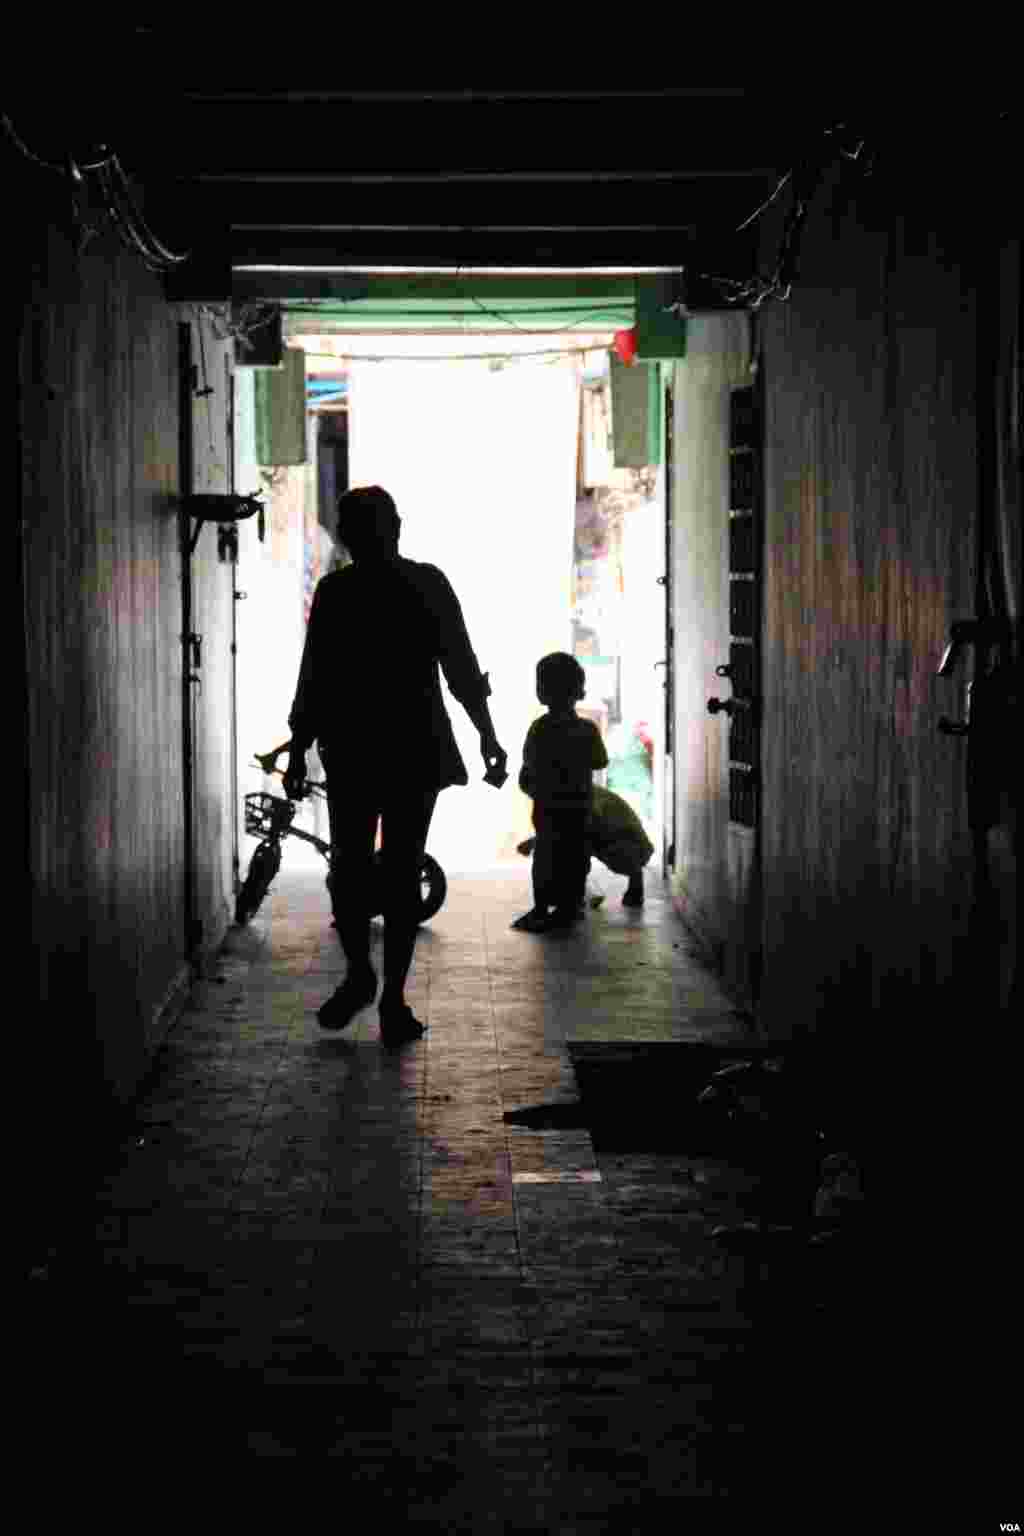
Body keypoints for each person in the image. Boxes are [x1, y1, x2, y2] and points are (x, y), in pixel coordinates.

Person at [284, 486, 507, 1045]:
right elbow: (460, 665)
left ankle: (363, 975)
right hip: (413, 746)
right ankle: (392, 1000)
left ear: (348, 536)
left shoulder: (338, 592)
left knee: (351, 868)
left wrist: (297, 746)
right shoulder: (425, 583)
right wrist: (486, 735)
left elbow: (315, 676)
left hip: (354, 748)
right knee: (400, 872)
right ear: (397, 527)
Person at [513, 652, 608, 933]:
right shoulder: (587, 730)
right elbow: (600, 761)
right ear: (580, 690)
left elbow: (528, 768)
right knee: (576, 861)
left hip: (548, 811)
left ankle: (541, 909)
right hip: (579, 811)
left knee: (545, 859)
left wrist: (533, 786)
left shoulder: (539, 729)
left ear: (541, 692)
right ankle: (569, 907)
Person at [517, 782, 655, 908]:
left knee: (570, 847)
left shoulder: (581, 796)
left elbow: (578, 826)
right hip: (613, 838)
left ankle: (632, 881)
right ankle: (577, 892)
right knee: (569, 845)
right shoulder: (571, 793)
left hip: (631, 844)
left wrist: (536, 842)